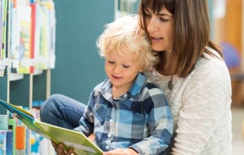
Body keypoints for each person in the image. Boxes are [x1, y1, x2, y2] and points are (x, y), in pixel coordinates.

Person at [41, 0, 232, 154]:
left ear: (188, 20)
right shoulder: (146, 44)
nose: (151, 27)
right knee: (54, 108)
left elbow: (182, 151)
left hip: (159, 148)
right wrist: (90, 138)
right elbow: (112, 105)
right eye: (147, 15)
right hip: (129, 138)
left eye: (163, 19)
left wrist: (133, 151)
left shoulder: (209, 74)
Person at [41, 15, 173, 155]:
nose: (116, 70)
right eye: (111, 62)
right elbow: (86, 125)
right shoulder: (99, 92)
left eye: (126, 66)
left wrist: (132, 152)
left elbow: (162, 135)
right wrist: (71, 143)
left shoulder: (150, 94)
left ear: (141, 66)